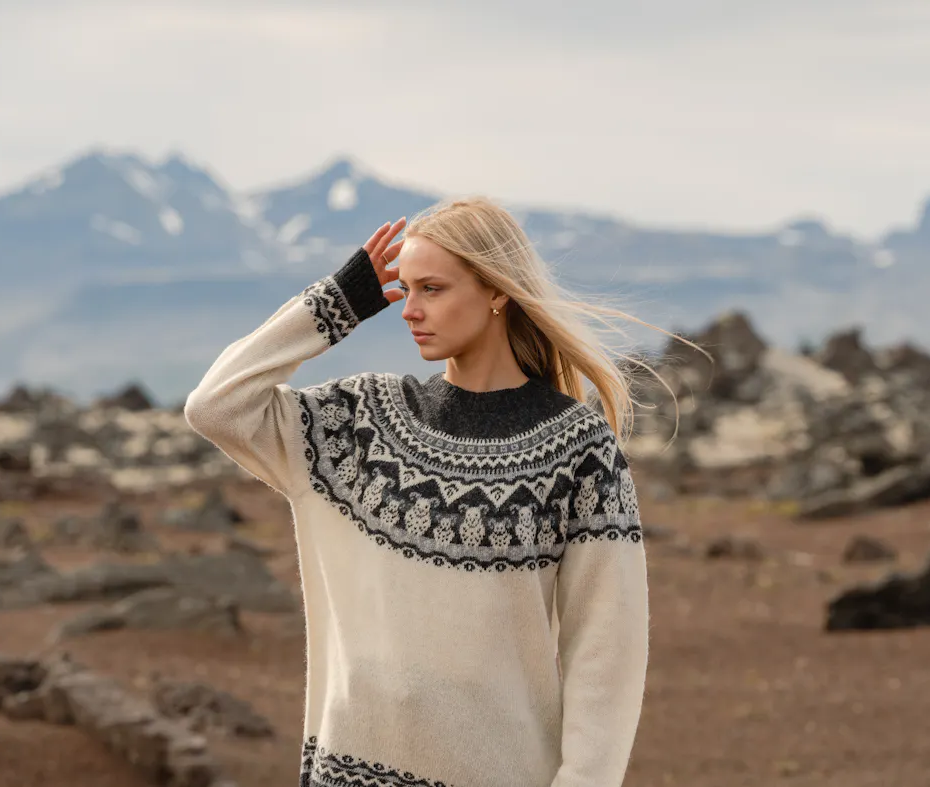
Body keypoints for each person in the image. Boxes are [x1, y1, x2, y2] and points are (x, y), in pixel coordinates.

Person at [184, 196, 684, 787]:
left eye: (432, 289)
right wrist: (338, 304)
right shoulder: (359, 424)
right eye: (403, 288)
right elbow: (216, 406)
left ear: (497, 291)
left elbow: (607, 650)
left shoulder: (576, 447)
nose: (408, 309)